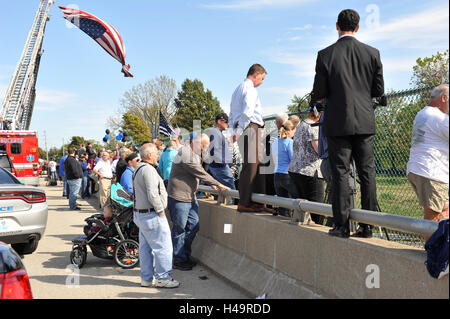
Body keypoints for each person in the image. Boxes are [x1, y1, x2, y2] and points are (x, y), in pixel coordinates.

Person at [311, 9, 384, 238]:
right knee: (367, 173)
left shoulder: (325, 55)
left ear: (336, 26)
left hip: (337, 122)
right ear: (358, 27)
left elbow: (320, 92)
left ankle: (341, 225)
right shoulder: (372, 53)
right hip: (364, 121)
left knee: (340, 173)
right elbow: (378, 91)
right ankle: (368, 225)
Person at [168, 133, 229, 271]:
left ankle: (184, 255)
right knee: (179, 229)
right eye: (203, 146)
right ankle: (179, 259)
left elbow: (200, 172)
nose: (205, 149)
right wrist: (218, 184)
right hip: (179, 198)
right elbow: (199, 172)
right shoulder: (185, 153)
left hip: (190, 197)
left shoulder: (194, 153)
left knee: (194, 226)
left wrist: (212, 184)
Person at [133, 143, 179, 288]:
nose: (158, 155)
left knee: (145, 249)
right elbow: (152, 194)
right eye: (155, 153)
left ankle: (146, 279)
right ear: (149, 155)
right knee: (163, 247)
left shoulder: (138, 168)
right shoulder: (148, 170)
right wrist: (160, 211)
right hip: (151, 214)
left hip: (141, 214)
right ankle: (163, 277)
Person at [406, 84, 449, 241]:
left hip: (419, 168)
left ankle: (439, 250)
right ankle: (432, 255)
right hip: (432, 172)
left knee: (444, 211)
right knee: (433, 217)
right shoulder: (439, 118)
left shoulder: (423, 113)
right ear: (443, 98)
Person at [229, 63, 271, 213]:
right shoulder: (250, 89)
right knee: (252, 164)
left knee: (256, 164)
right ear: (256, 75)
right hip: (250, 127)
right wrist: (240, 130)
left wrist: (234, 130)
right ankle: (246, 202)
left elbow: (232, 113)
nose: (262, 82)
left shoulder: (237, 89)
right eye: (262, 78)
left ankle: (258, 202)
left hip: (245, 127)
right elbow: (247, 111)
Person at [288, 108, 324, 223]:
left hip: (296, 170)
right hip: (310, 171)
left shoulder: (302, 125)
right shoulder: (314, 126)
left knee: (303, 209)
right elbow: (320, 150)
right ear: (319, 114)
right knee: (317, 210)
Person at [207, 113, 237, 204]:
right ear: (220, 121)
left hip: (217, 167)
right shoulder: (216, 132)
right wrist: (224, 164)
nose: (228, 124)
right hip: (220, 167)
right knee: (231, 192)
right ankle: (230, 215)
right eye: (227, 122)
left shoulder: (216, 133)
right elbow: (213, 151)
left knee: (220, 193)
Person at [274, 120, 298, 217]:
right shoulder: (290, 142)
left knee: (283, 207)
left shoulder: (275, 142)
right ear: (290, 130)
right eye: (294, 130)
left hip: (276, 175)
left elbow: (274, 159)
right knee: (298, 200)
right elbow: (292, 159)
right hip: (287, 175)